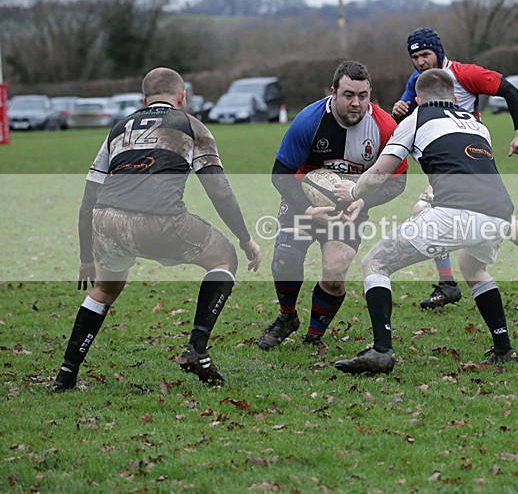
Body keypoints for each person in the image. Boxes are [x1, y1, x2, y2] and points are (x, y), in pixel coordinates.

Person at [50, 67, 262, 391]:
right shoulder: (191, 125)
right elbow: (219, 190)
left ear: (143, 99)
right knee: (224, 259)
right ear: (182, 97)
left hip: (106, 221)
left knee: (105, 290)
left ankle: (66, 374)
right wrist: (246, 239)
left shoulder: (118, 129)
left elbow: (88, 198)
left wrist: (85, 257)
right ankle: (197, 350)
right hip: (160, 221)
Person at [332, 68, 518, 375]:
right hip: (500, 211)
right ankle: (503, 347)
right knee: (473, 268)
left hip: (455, 212)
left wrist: (352, 191)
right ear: (454, 97)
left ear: (418, 98)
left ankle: (381, 351)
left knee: (375, 263)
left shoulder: (415, 119)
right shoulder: (476, 124)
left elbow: (381, 172)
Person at [393, 27, 518, 309]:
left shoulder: (465, 74)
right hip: (447, 160)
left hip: (469, 154)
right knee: (498, 220)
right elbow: (408, 108)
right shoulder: (418, 80)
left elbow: (509, 90)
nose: (420, 62)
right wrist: (400, 109)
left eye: (425, 54)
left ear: (438, 52)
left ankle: (448, 285)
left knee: (423, 209)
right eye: (414, 57)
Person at [258, 60, 408, 351]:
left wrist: (363, 199)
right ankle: (286, 317)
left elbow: (398, 182)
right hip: (302, 198)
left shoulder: (384, 127)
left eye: (362, 96)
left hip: (351, 204)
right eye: (348, 95)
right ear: (333, 93)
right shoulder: (309, 120)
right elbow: (280, 174)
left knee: (335, 273)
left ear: (370, 94)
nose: (356, 103)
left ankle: (314, 335)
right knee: (286, 261)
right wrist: (307, 209)